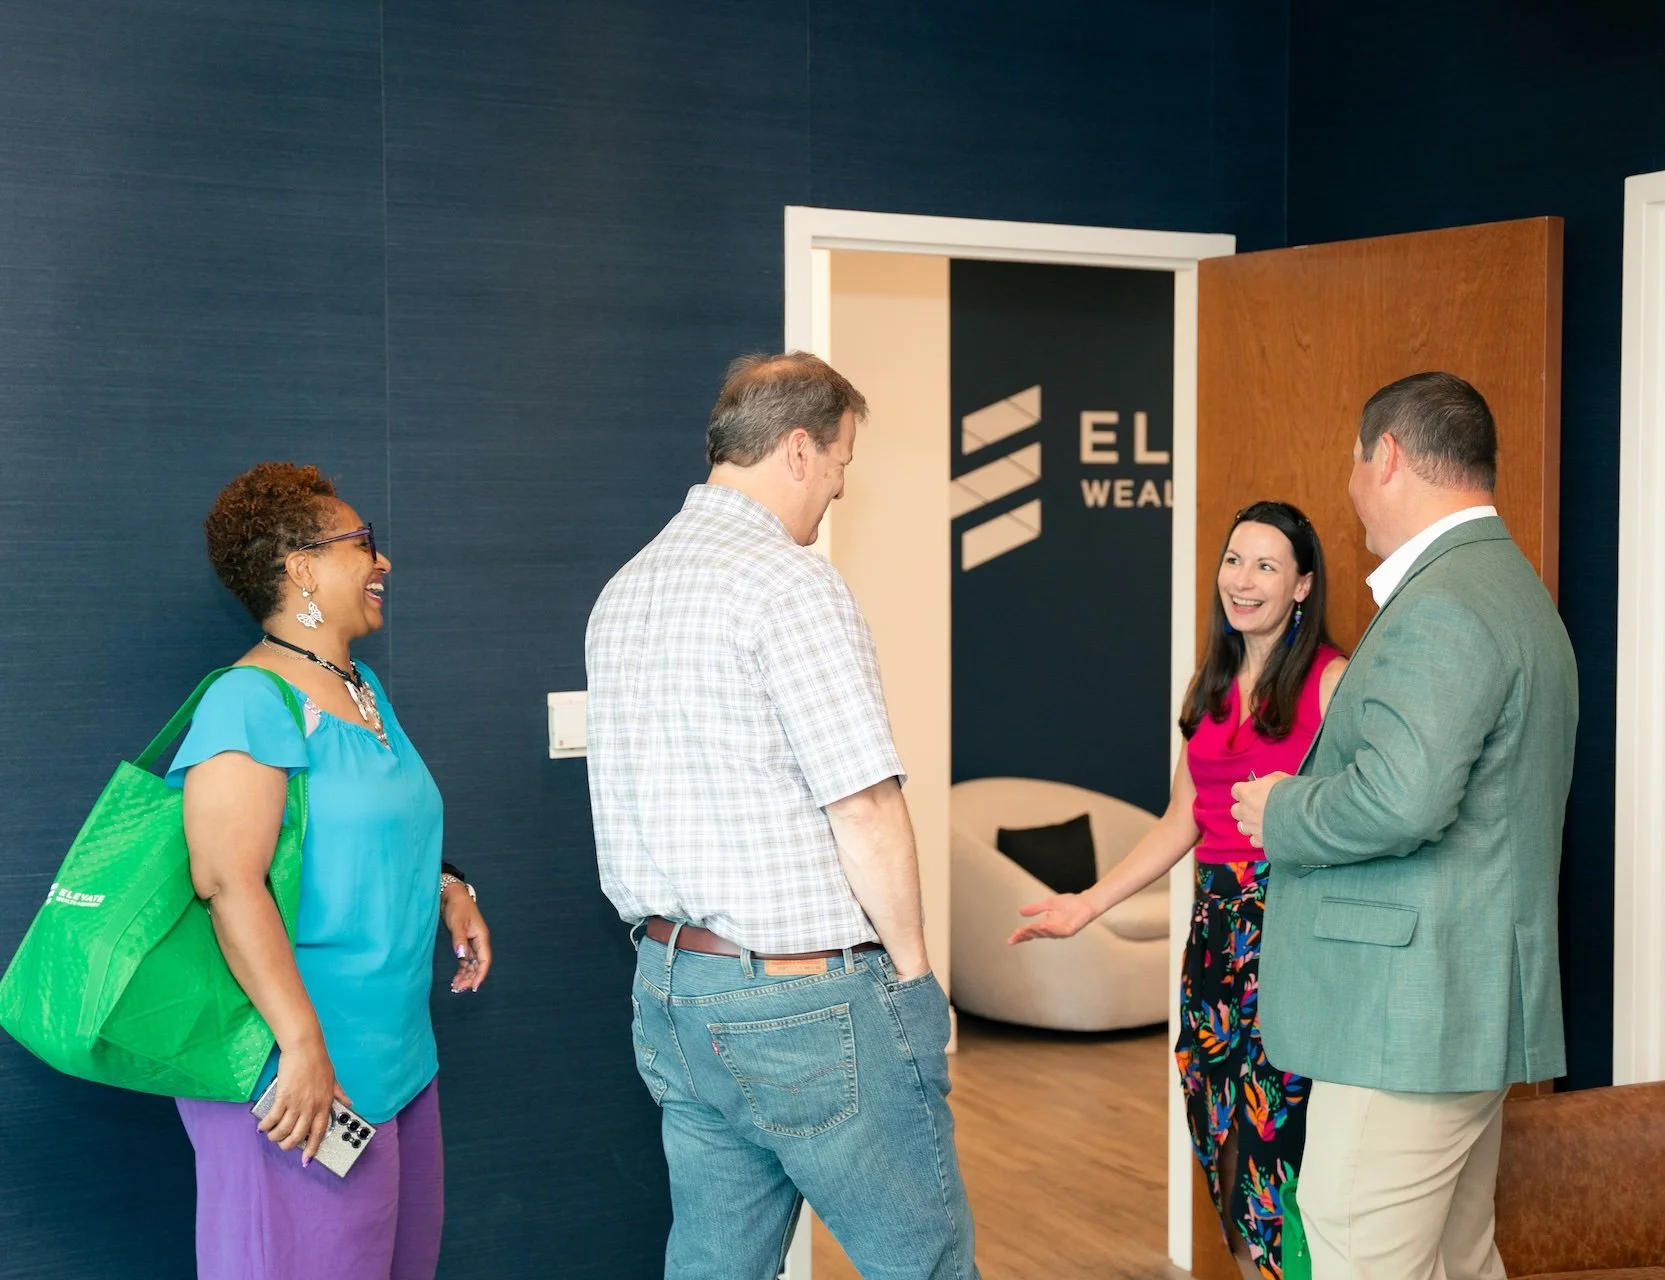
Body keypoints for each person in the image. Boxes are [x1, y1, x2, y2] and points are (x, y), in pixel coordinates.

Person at [586, 352, 977, 1279]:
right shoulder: (790, 583)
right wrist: (916, 980)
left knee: (715, 1264)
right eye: (841, 462)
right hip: (803, 1002)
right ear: (799, 450)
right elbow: (865, 804)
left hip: (672, 992)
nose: (839, 489)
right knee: (923, 1262)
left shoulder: (627, 587)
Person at [1230, 372, 1578, 1280]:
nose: (1350, 488)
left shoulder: (1444, 603)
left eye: (1353, 462)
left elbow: (1404, 798)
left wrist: (1281, 808)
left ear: (1384, 457)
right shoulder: (1507, 586)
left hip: (1407, 1017)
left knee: (1357, 1245)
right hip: (1456, 1007)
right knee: (1458, 1258)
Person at [172, 463, 494, 1280]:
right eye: (363, 544)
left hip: (396, 1061)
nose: (383, 562)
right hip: (300, 1079)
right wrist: (302, 1046)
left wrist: (448, 887)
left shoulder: (362, 690)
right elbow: (225, 881)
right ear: (303, 569)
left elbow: (372, 828)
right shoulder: (247, 701)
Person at [1012, 500, 1346, 1280]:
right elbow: (1182, 818)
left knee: (1274, 1146)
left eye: (1266, 566)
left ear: (1302, 585)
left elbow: (1353, 816)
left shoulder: (1332, 680)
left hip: (1287, 935)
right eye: (1234, 560)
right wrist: (1088, 903)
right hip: (1214, 934)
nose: (1243, 580)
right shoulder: (1213, 683)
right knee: (1217, 1129)